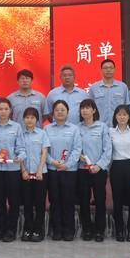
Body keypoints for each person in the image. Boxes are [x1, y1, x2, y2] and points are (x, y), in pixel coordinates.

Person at [45, 100, 82, 241]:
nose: (60, 112)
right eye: (57, 110)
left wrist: (67, 164)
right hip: (52, 170)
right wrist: (53, 162)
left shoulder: (74, 129)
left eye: (62, 110)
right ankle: (56, 230)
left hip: (69, 170)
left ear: (68, 112)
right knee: (54, 200)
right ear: (53, 113)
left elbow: (77, 149)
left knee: (68, 200)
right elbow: (44, 150)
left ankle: (68, 230)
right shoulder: (47, 129)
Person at [77, 99, 112, 242]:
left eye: (88, 108)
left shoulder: (102, 127)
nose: (85, 110)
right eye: (82, 108)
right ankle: (87, 230)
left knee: (100, 200)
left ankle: (99, 230)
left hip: (99, 170)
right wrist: (79, 156)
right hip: (82, 169)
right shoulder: (77, 128)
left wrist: (99, 165)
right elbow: (74, 147)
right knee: (83, 200)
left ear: (94, 110)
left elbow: (108, 149)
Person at [0, 98, 24, 242]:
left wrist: (19, 157)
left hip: (12, 169)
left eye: (6, 109)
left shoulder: (16, 127)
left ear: (10, 111)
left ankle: (11, 230)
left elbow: (21, 148)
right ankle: (0, 229)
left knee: (13, 201)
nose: (3, 112)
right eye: (0, 109)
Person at [109, 105, 130, 242]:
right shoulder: (110, 131)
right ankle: (119, 230)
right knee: (117, 200)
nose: (122, 117)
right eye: (119, 114)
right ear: (115, 116)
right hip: (116, 166)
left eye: (124, 114)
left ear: (129, 117)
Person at [19, 107, 49, 243]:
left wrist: (40, 170)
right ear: (23, 119)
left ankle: (38, 230)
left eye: (32, 117)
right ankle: (27, 229)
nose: (29, 120)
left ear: (37, 120)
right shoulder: (20, 134)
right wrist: (23, 170)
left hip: (40, 174)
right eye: (27, 117)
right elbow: (19, 153)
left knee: (39, 203)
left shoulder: (42, 134)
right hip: (25, 174)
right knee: (27, 202)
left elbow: (44, 152)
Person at [89, 59, 130, 126]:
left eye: (111, 68)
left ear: (114, 70)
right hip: (99, 126)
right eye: (105, 68)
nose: (108, 70)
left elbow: (127, 107)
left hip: (118, 126)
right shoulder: (94, 88)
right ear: (101, 70)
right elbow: (90, 108)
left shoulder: (123, 87)